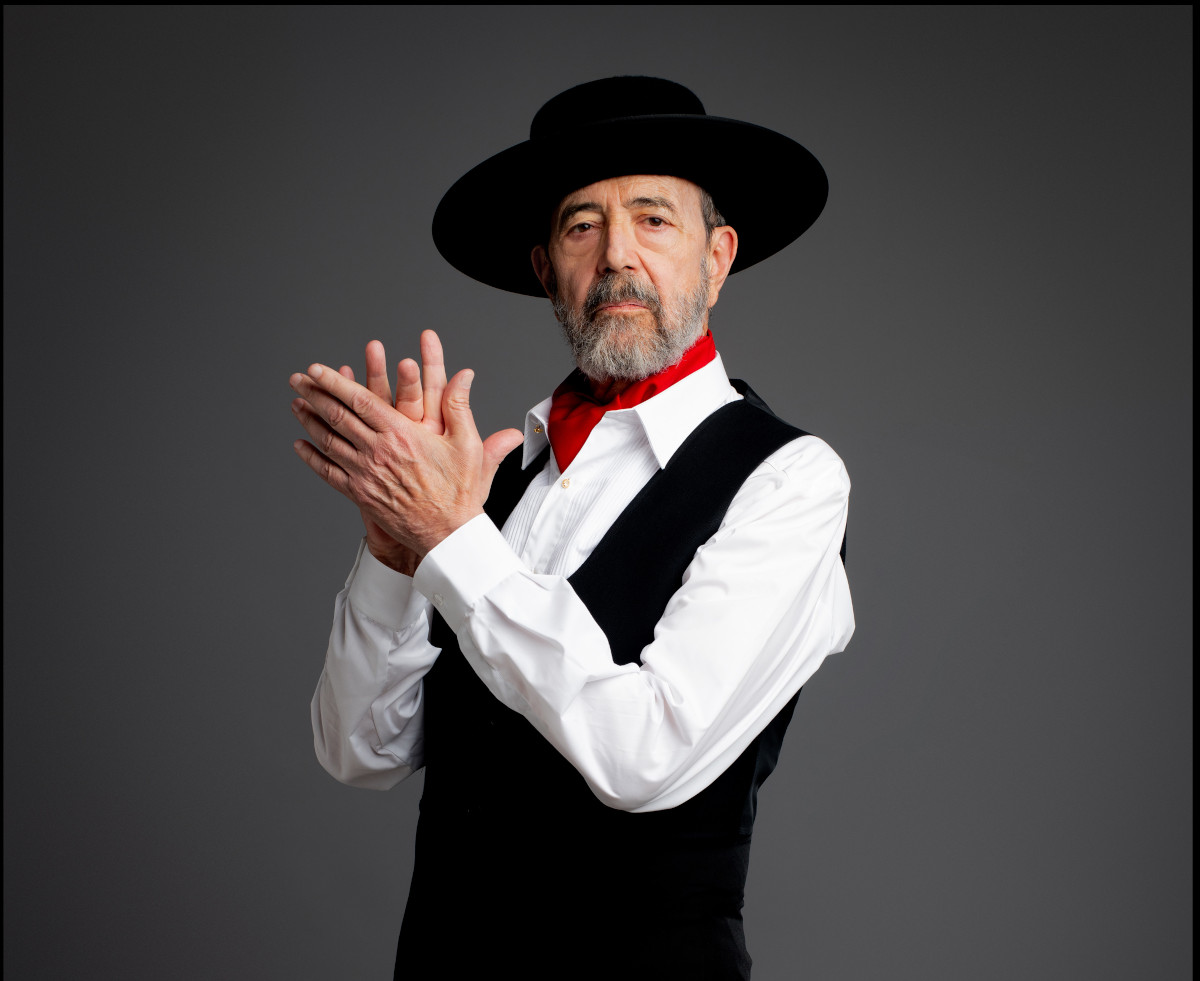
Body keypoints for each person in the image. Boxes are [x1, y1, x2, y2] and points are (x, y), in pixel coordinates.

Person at [290, 76, 854, 980]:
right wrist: (397, 549)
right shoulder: (493, 484)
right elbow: (359, 752)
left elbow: (644, 754)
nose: (617, 255)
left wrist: (449, 539)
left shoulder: (789, 479)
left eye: (653, 219)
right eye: (582, 225)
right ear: (546, 269)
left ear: (717, 258)